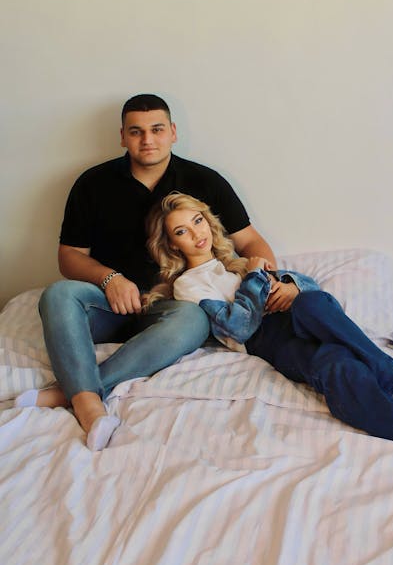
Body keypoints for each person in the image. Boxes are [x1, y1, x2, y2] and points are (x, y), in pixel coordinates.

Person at [143, 192, 393, 490]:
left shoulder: (234, 262)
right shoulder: (189, 285)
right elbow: (239, 329)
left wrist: (291, 287)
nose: (196, 234)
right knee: (338, 366)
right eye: (182, 231)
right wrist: (253, 278)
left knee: (312, 301)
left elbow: (316, 292)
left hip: (300, 315)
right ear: (172, 243)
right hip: (270, 339)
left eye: (198, 221)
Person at [18, 94, 275, 450]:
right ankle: (87, 401)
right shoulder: (92, 183)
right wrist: (111, 279)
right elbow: (69, 257)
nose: (147, 140)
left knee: (195, 318)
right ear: (122, 136)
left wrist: (266, 274)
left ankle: (79, 395)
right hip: (109, 306)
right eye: (136, 132)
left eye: (156, 130)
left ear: (172, 132)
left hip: (170, 308)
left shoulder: (205, 181)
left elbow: (251, 243)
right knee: (58, 294)